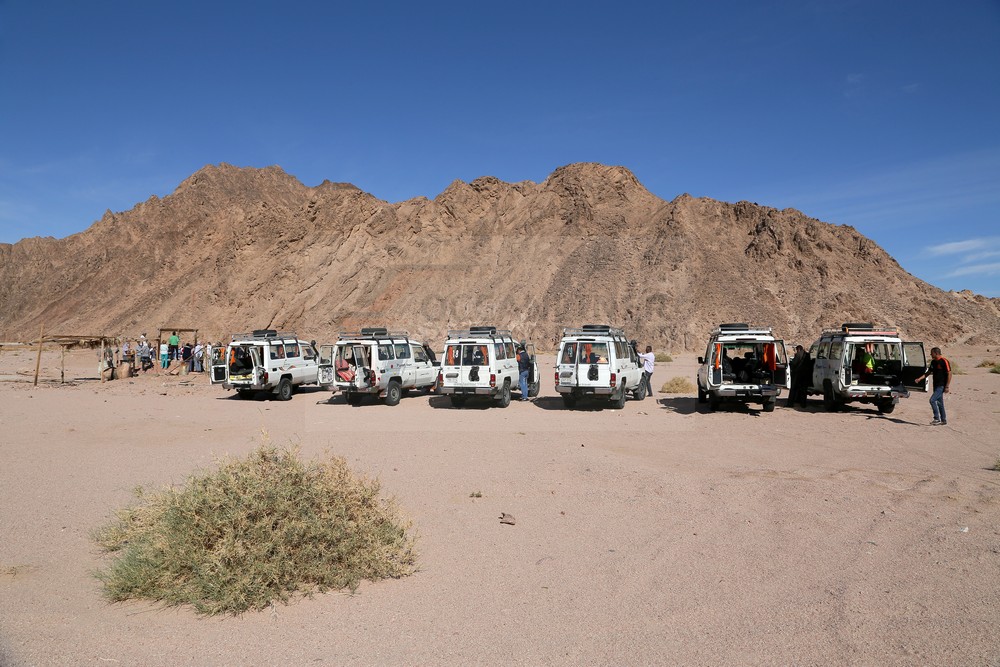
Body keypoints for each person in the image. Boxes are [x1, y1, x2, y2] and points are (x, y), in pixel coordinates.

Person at [914, 347, 951, 425]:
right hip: (935, 385)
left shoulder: (944, 361)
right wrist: (919, 379)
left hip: (941, 386)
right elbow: (928, 372)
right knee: (940, 403)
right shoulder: (933, 362)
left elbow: (949, 374)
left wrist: (947, 386)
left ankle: (937, 418)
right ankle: (943, 420)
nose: (931, 354)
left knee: (932, 400)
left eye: (932, 353)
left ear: (936, 353)